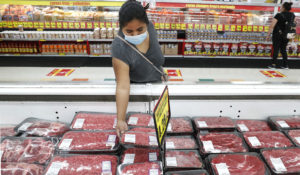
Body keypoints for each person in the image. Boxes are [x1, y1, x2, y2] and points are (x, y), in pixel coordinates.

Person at [111, 0, 165, 137]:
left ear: (146, 24)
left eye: (140, 29)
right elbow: (123, 86)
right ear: (121, 28)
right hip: (137, 93)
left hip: (158, 87)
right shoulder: (119, 47)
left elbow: (154, 59)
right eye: (129, 31)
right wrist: (121, 119)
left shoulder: (151, 28)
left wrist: (160, 72)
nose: (135, 35)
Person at [267, 2, 295, 69]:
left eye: (281, 7)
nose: (280, 8)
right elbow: (292, 26)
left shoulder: (278, 15)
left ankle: (273, 64)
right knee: (283, 49)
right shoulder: (292, 15)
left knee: (276, 49)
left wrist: (268, 35)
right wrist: (292, 38)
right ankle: (285, 65)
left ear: (284, 8)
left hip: (277, 34)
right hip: (287, 35)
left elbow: (272, 26)